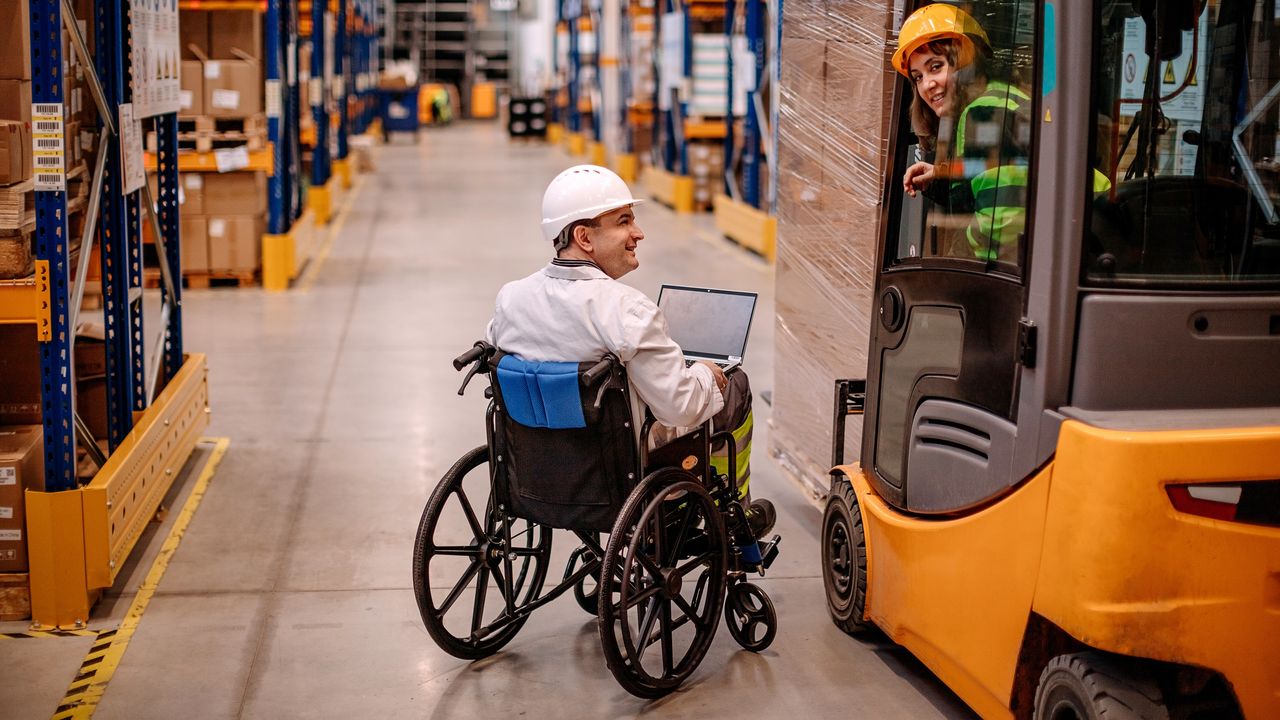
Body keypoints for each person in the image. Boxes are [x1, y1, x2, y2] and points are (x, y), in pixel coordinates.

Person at [486, 164, 774, 540]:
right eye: (623, 222)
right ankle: (728, 517)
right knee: (735, 386)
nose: (638, 233)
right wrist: (706, 373)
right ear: (584, 237)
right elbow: (680, 407)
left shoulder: (512, 299)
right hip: (618, 466)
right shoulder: (626, 310)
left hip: (537, 468)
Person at [892, 3, 1032, 263]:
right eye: (918, 76)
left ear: (968, 62)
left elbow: (999, 223)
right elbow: (991, 176)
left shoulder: (985, 112)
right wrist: (940, 175)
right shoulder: (1001, 98)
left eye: (935, 67)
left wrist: (954, 262)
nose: (927, 84)